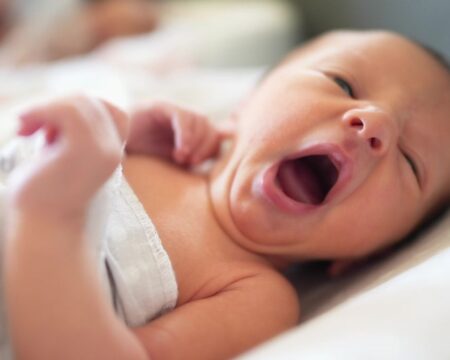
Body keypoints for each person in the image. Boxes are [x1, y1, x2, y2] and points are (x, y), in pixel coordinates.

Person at [2, 30, 450, 359]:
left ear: (366, 257)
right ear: (245, 105)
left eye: (411, 163)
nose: (375, 122)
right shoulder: (146, 143)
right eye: (343, 84)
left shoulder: (257, 297)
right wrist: (117, 130)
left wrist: (45, 217)